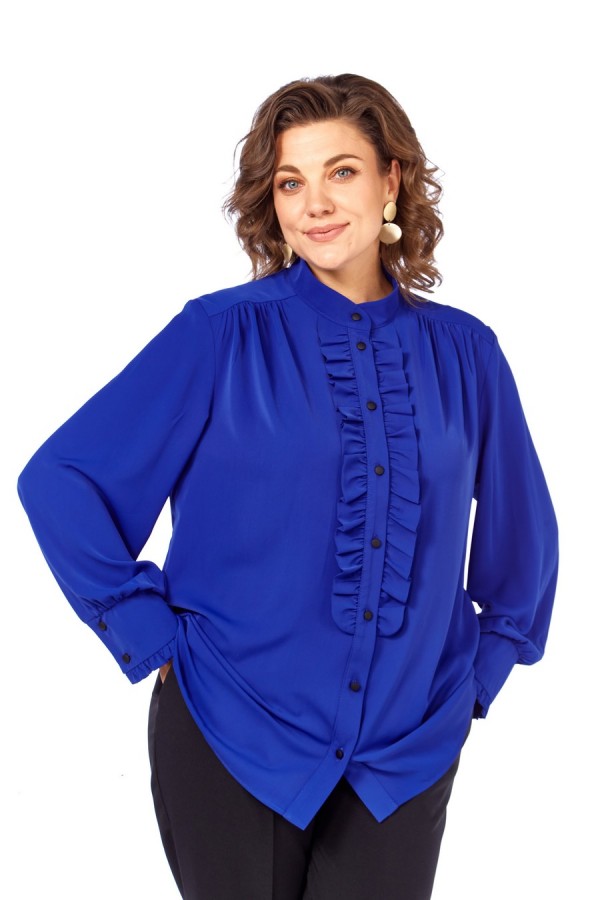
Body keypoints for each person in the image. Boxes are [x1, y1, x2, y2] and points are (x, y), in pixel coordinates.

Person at [17, 73, 559, 899]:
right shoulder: (217, 335)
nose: (316, 204)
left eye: (341, 171)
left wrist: (475, 681)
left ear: (391, 180)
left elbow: (526, 536)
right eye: (290, 182)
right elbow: (60, 479)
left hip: (405, 751)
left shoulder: (468, 354)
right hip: (231, 730)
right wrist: (147, 632)